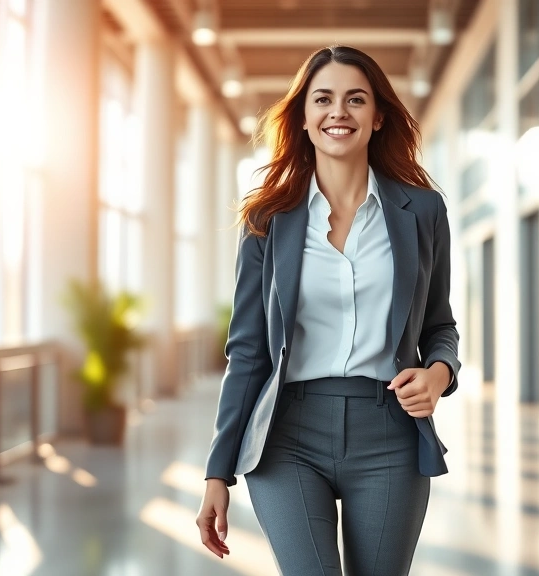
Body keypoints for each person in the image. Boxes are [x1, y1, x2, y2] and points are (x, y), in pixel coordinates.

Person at [195, 45, 461, 576]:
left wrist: (438, 374)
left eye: (355, 99)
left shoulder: (422, 211)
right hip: (286, 434)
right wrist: (216, 471)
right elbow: (247, 351)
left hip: (389, 431)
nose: (339, 111)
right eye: (324, 99)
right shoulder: (266, 220)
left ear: (378, 116)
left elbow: (440, 325)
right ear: (305, 118)